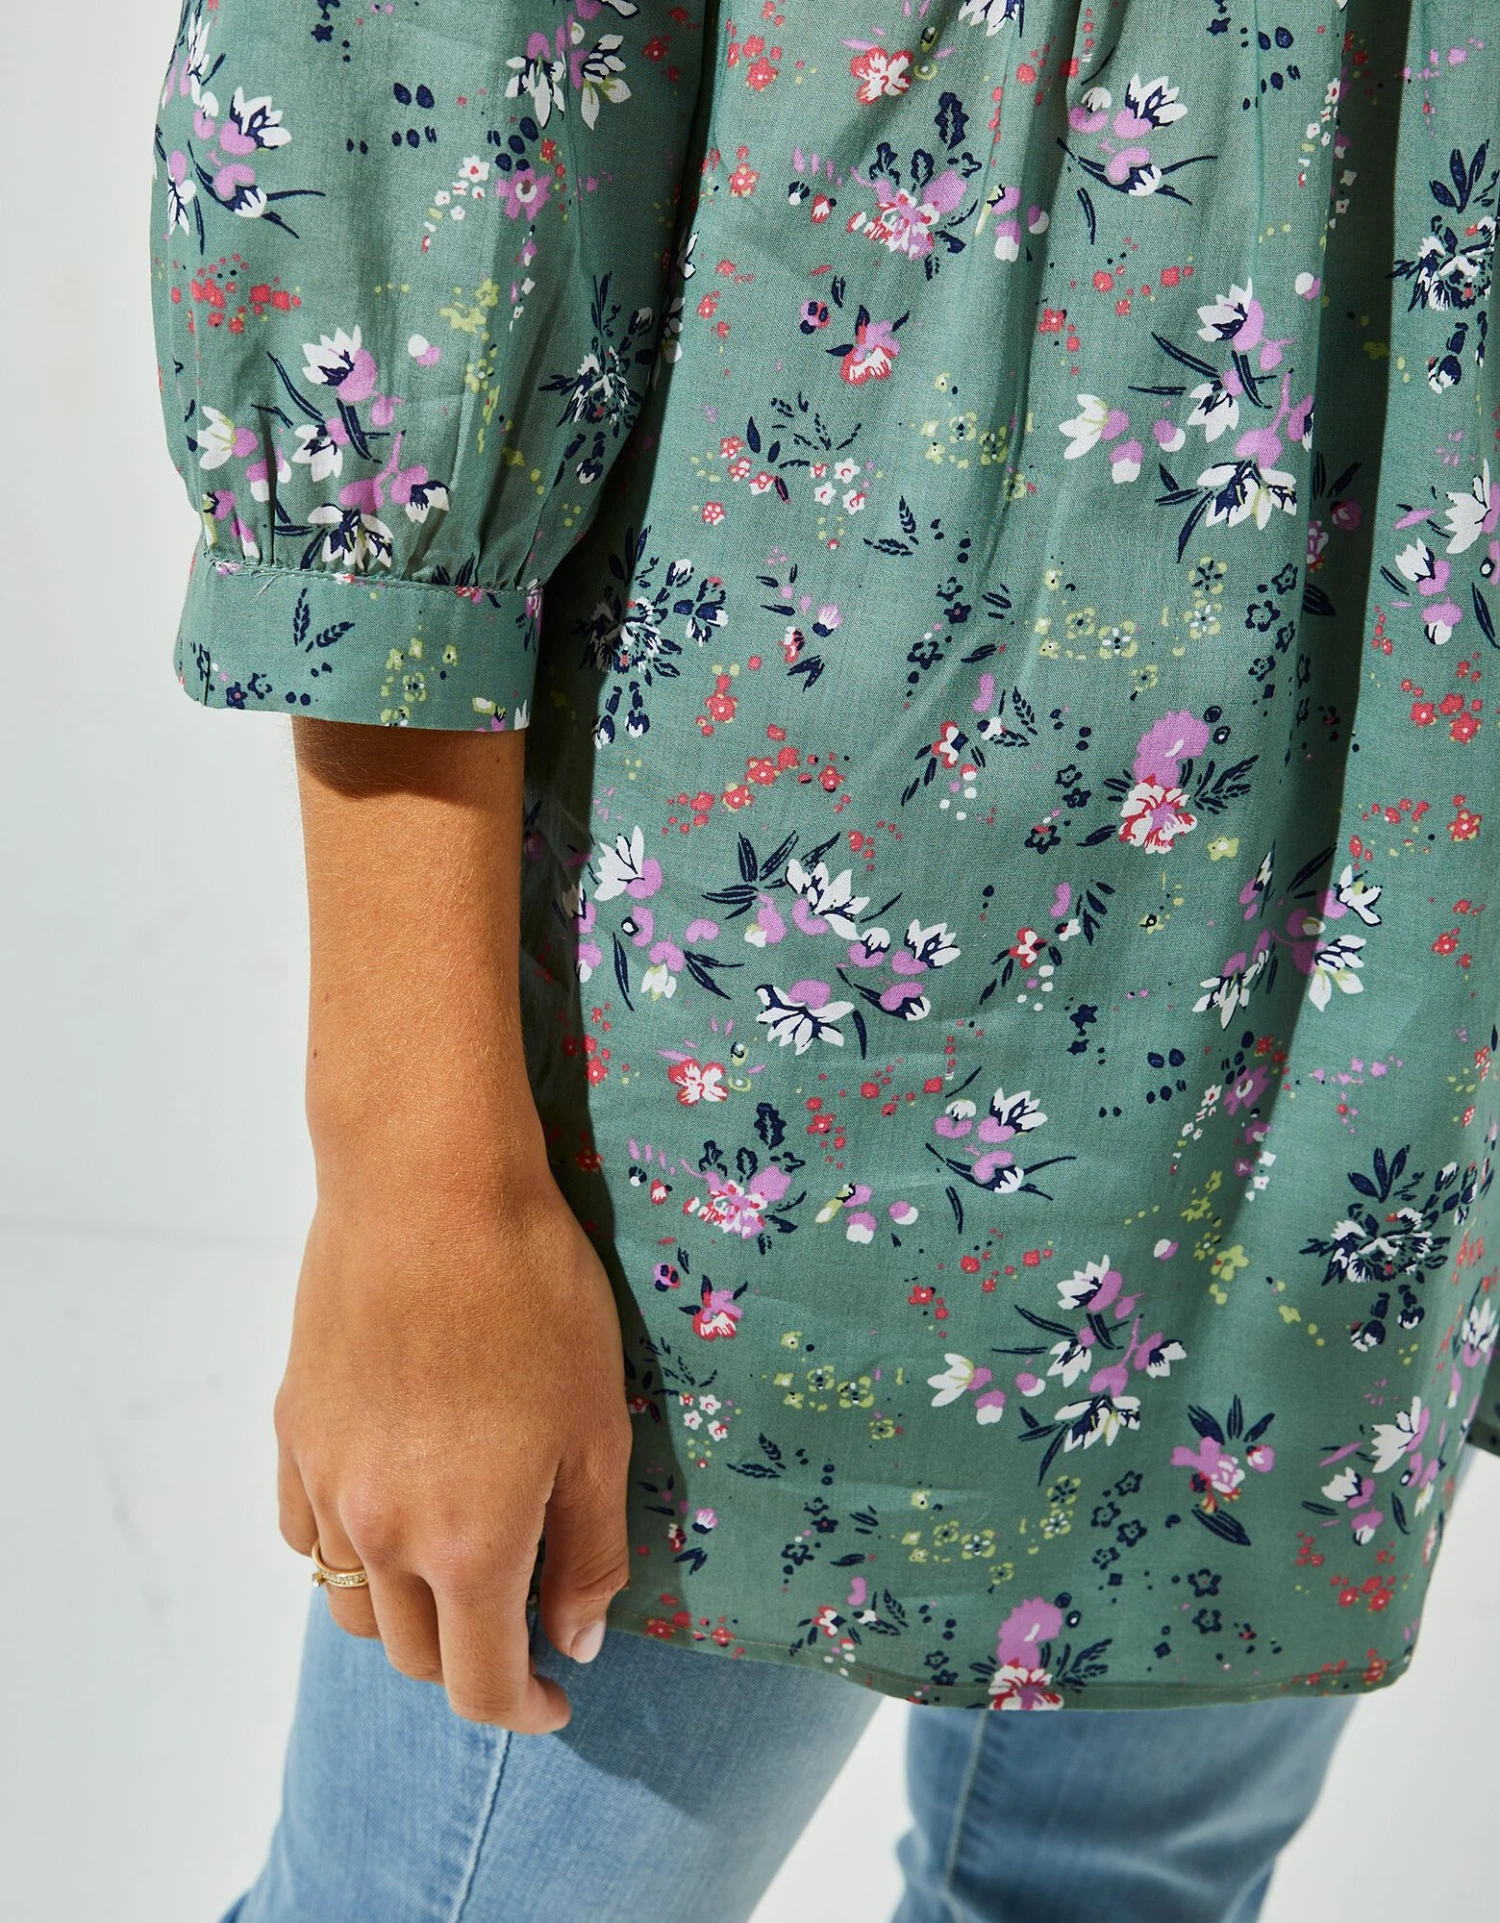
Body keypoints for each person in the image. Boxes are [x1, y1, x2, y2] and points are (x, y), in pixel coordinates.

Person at [149, 2, 1499, 1918]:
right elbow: (406, 63)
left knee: (1118, 1885)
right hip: (840, 934)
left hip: (1404, 952)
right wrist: (418, 1169)